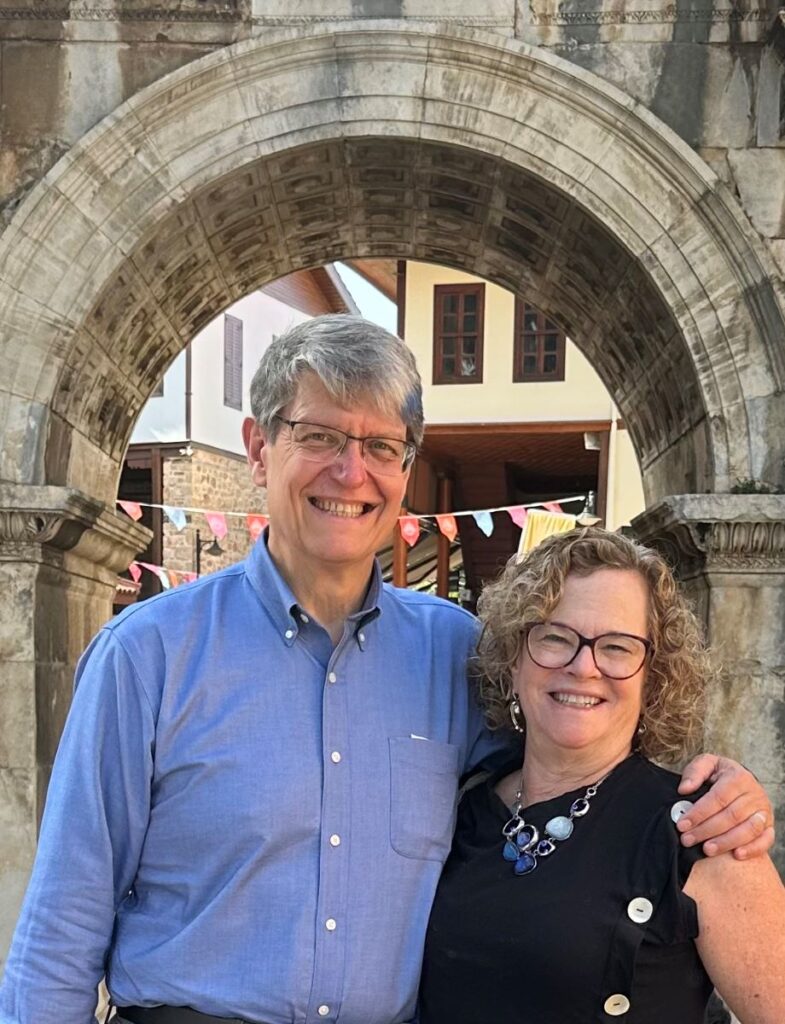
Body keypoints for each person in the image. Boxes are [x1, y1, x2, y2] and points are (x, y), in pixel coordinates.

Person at [0, 316, 774, 1024]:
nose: (351, 472)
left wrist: (721, 793)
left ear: (406, 468)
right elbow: (64, 920)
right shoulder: (148, 655)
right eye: (320, 436)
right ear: (259, 447)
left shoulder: (456, 654)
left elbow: (572, 748)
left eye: (380, 447)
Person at [419, 528, 785, 1024]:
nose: (583, 666)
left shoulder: (701, 830)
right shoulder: (463, 804)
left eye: (616, 647)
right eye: (555, 637)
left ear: (654, 674)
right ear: (513, 658)